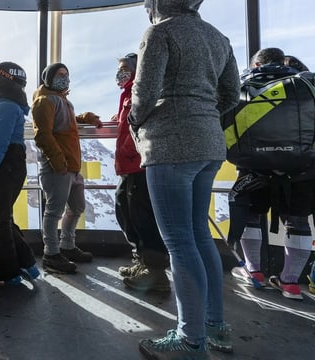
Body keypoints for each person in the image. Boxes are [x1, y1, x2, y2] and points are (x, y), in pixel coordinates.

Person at [128, 0, 240, 358]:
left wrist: (135, 121)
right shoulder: (218, 37)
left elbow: (144, 93)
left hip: (170, 144)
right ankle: (214, 326)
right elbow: (232, 91)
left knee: (178, 241)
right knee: (198, 234)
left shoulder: (160, 33)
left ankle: (190, 340)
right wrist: (203, 113)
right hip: (209, 142)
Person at [227, 47, 315, 301]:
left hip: (254, 168)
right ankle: (290, 284)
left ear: (256, 64)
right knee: (297, 222)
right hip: (301, 170)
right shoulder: (304, 82)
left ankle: (254, 272)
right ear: (283, 61)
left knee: (251, 218)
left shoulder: (244, 84)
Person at [31, 62, 103, 274]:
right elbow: (43, 136)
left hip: (71, 168)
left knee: (77, 207)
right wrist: (59, 163)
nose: (65, 78)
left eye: (67, 75)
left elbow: (70, 121)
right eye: (60, 75)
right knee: (54, 212)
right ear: (49, 78)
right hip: (58, 168)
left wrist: (88, 117)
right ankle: (51, 254)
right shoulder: (44, 101)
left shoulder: (62, 101)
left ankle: (67, 246)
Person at [0, 61, 39, 284]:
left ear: (3, 80)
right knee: (3, 218)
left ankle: (8, 274)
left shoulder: (5, 107)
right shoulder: (5, 106)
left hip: (4, 167)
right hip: (12, 166)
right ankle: (28, 264)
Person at [111, 53, 170, 292]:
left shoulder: (142, 90)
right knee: (124, 208)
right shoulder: (128, 93)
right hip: (131, 164)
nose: (120, 72)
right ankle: (143, 261)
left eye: (125, 68)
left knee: (142, 216)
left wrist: (129, 148)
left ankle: (155, 273)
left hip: (140, 163)